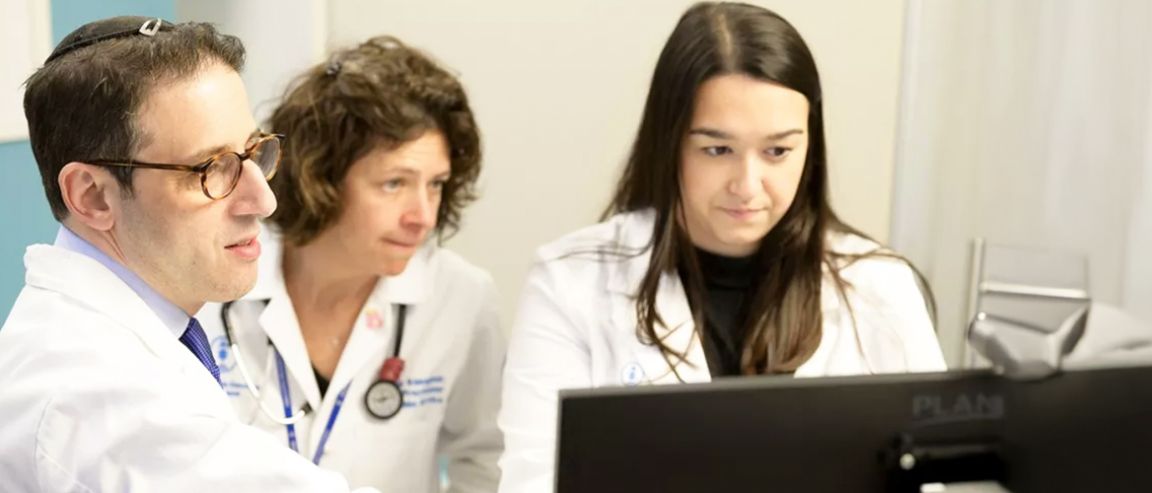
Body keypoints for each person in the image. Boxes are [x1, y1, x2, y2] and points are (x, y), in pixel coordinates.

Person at [496, 3, 947, 491]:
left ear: (809, 148)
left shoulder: (880, 286)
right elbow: (534, 480)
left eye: (777, 151)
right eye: (717, 150)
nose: (747, 185)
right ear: (670, 143)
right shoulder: (571, 283)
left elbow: (933, 479)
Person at [0, 16, 377, 492]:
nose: (263, 201)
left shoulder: (127, 332)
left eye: (254, 153)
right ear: (92, 196)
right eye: (212, 168)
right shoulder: (98, 398)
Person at [196, 36, 503, 493]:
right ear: (321, 176)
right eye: (394, 183)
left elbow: (483, 460)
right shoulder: (209, 287)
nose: (423, 216)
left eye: (436, 184)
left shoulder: (461, 297)